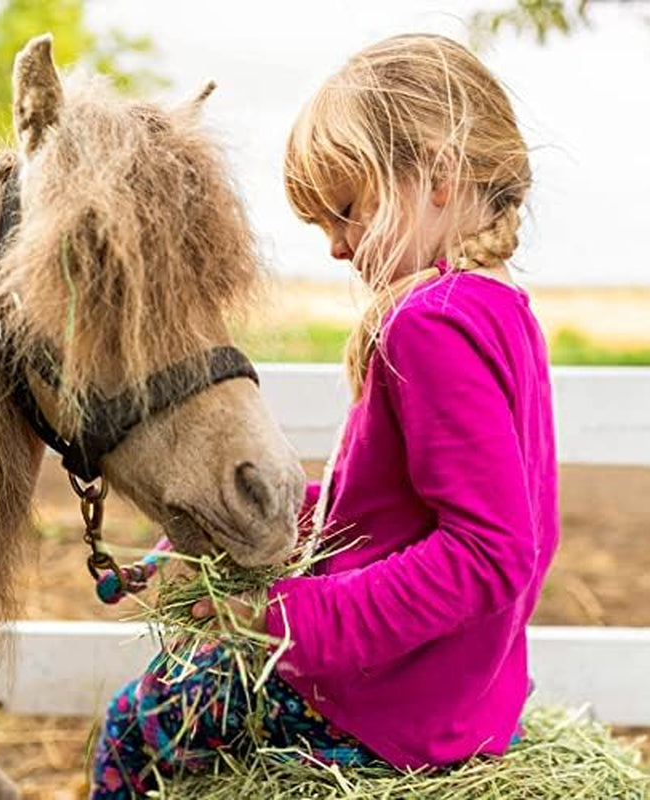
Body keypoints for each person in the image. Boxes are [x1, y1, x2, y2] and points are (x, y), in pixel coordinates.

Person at [89, 33, 558, 798]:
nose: (337, 248)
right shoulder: (502, 311)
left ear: (437, 173)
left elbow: (489, 550)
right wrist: (206, 541)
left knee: (135, 730)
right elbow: (395, 518)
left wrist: (283, 617)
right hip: (459, 701)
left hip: (382, 708)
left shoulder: (429, 324)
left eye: (346, 211)